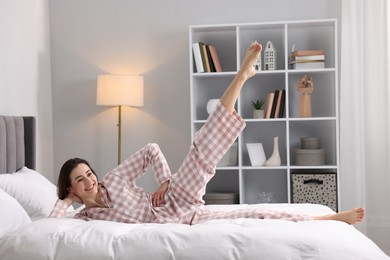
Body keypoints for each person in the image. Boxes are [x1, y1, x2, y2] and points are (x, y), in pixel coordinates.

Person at [49, 42, 365, 225]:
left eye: (88, 172)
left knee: (200, 152)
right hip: (172, 221)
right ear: (72, 189)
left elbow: (150, 149)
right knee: (250, 215)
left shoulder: (113, 179)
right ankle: (327, 220)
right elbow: (49, 227)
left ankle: (242, 76)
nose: (90, 180)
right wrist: (64, 201)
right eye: (80, 179)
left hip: (171, 199)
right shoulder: (83, 220)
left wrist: (164, 180)